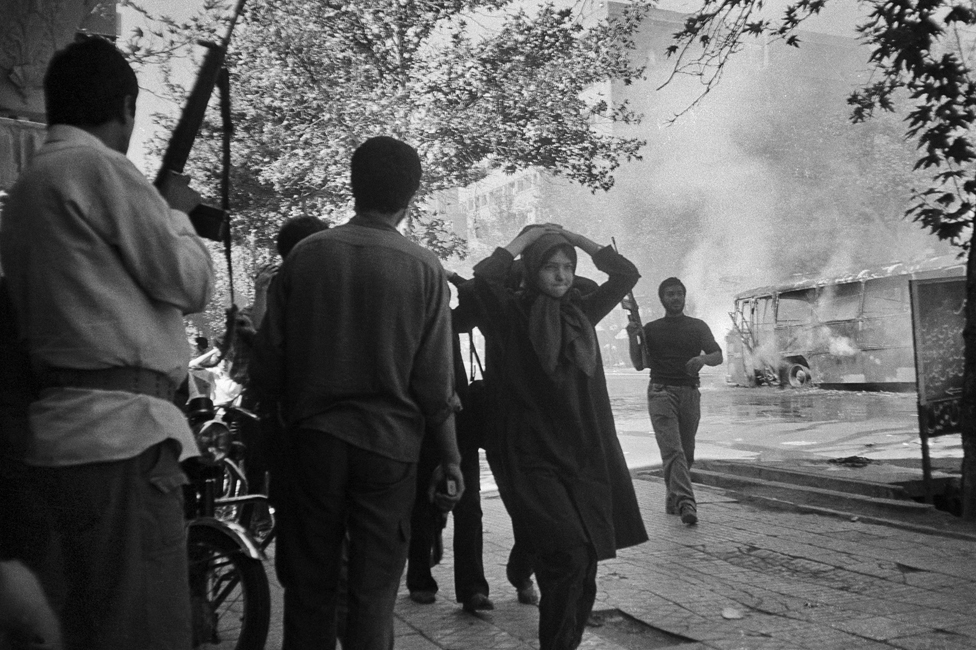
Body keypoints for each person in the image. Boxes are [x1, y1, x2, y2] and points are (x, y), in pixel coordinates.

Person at [0, 36, 214, 650]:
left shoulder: (27, 191)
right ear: (124, 105)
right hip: (123, 442)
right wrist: (173, 213)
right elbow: (190, 280)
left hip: (61, 440)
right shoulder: (97, 167)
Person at [251, 135, 464, 650]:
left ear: (353, 185)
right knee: (372, 595)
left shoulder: (305, 256)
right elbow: (435, 384)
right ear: (410, 195)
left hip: (314, 446)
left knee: (310, 589)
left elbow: (267, 365)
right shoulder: (424, 267)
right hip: (389, 451)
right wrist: (451, 458)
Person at [462, 224, 648, 650]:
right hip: (532, 456)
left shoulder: (583, 312)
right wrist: (526, 239)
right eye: (550, 266)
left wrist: (576, 237)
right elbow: (485, 278)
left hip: (583, 454)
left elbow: (625, 275)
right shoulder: (509, 315)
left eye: (568, 267)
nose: (562, 276)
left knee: (584, 568)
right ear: (532, 269)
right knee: (568, 557)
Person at [406, 272, 493, 613]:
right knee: (422, 503)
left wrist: (452, 276)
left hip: (463, 426)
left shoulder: (455, 322)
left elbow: (474, 293)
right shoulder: (410, 326)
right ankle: (419, 579)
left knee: (470, 505)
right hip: (425, 425)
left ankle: (473, 588)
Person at [627, 277, 723, 526]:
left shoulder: (698, 326)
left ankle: (673, 499)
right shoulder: (651, 329)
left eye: (679, 293)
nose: (675, 298)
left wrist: (702, 360)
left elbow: (718, 355)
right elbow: (639, 364)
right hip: (660, 391)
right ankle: (686, 504)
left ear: (685, 296)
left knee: (686, 452)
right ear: (662, 299)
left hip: (690, 392)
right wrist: (632, 337)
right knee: (673, 450)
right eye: (670, 294)